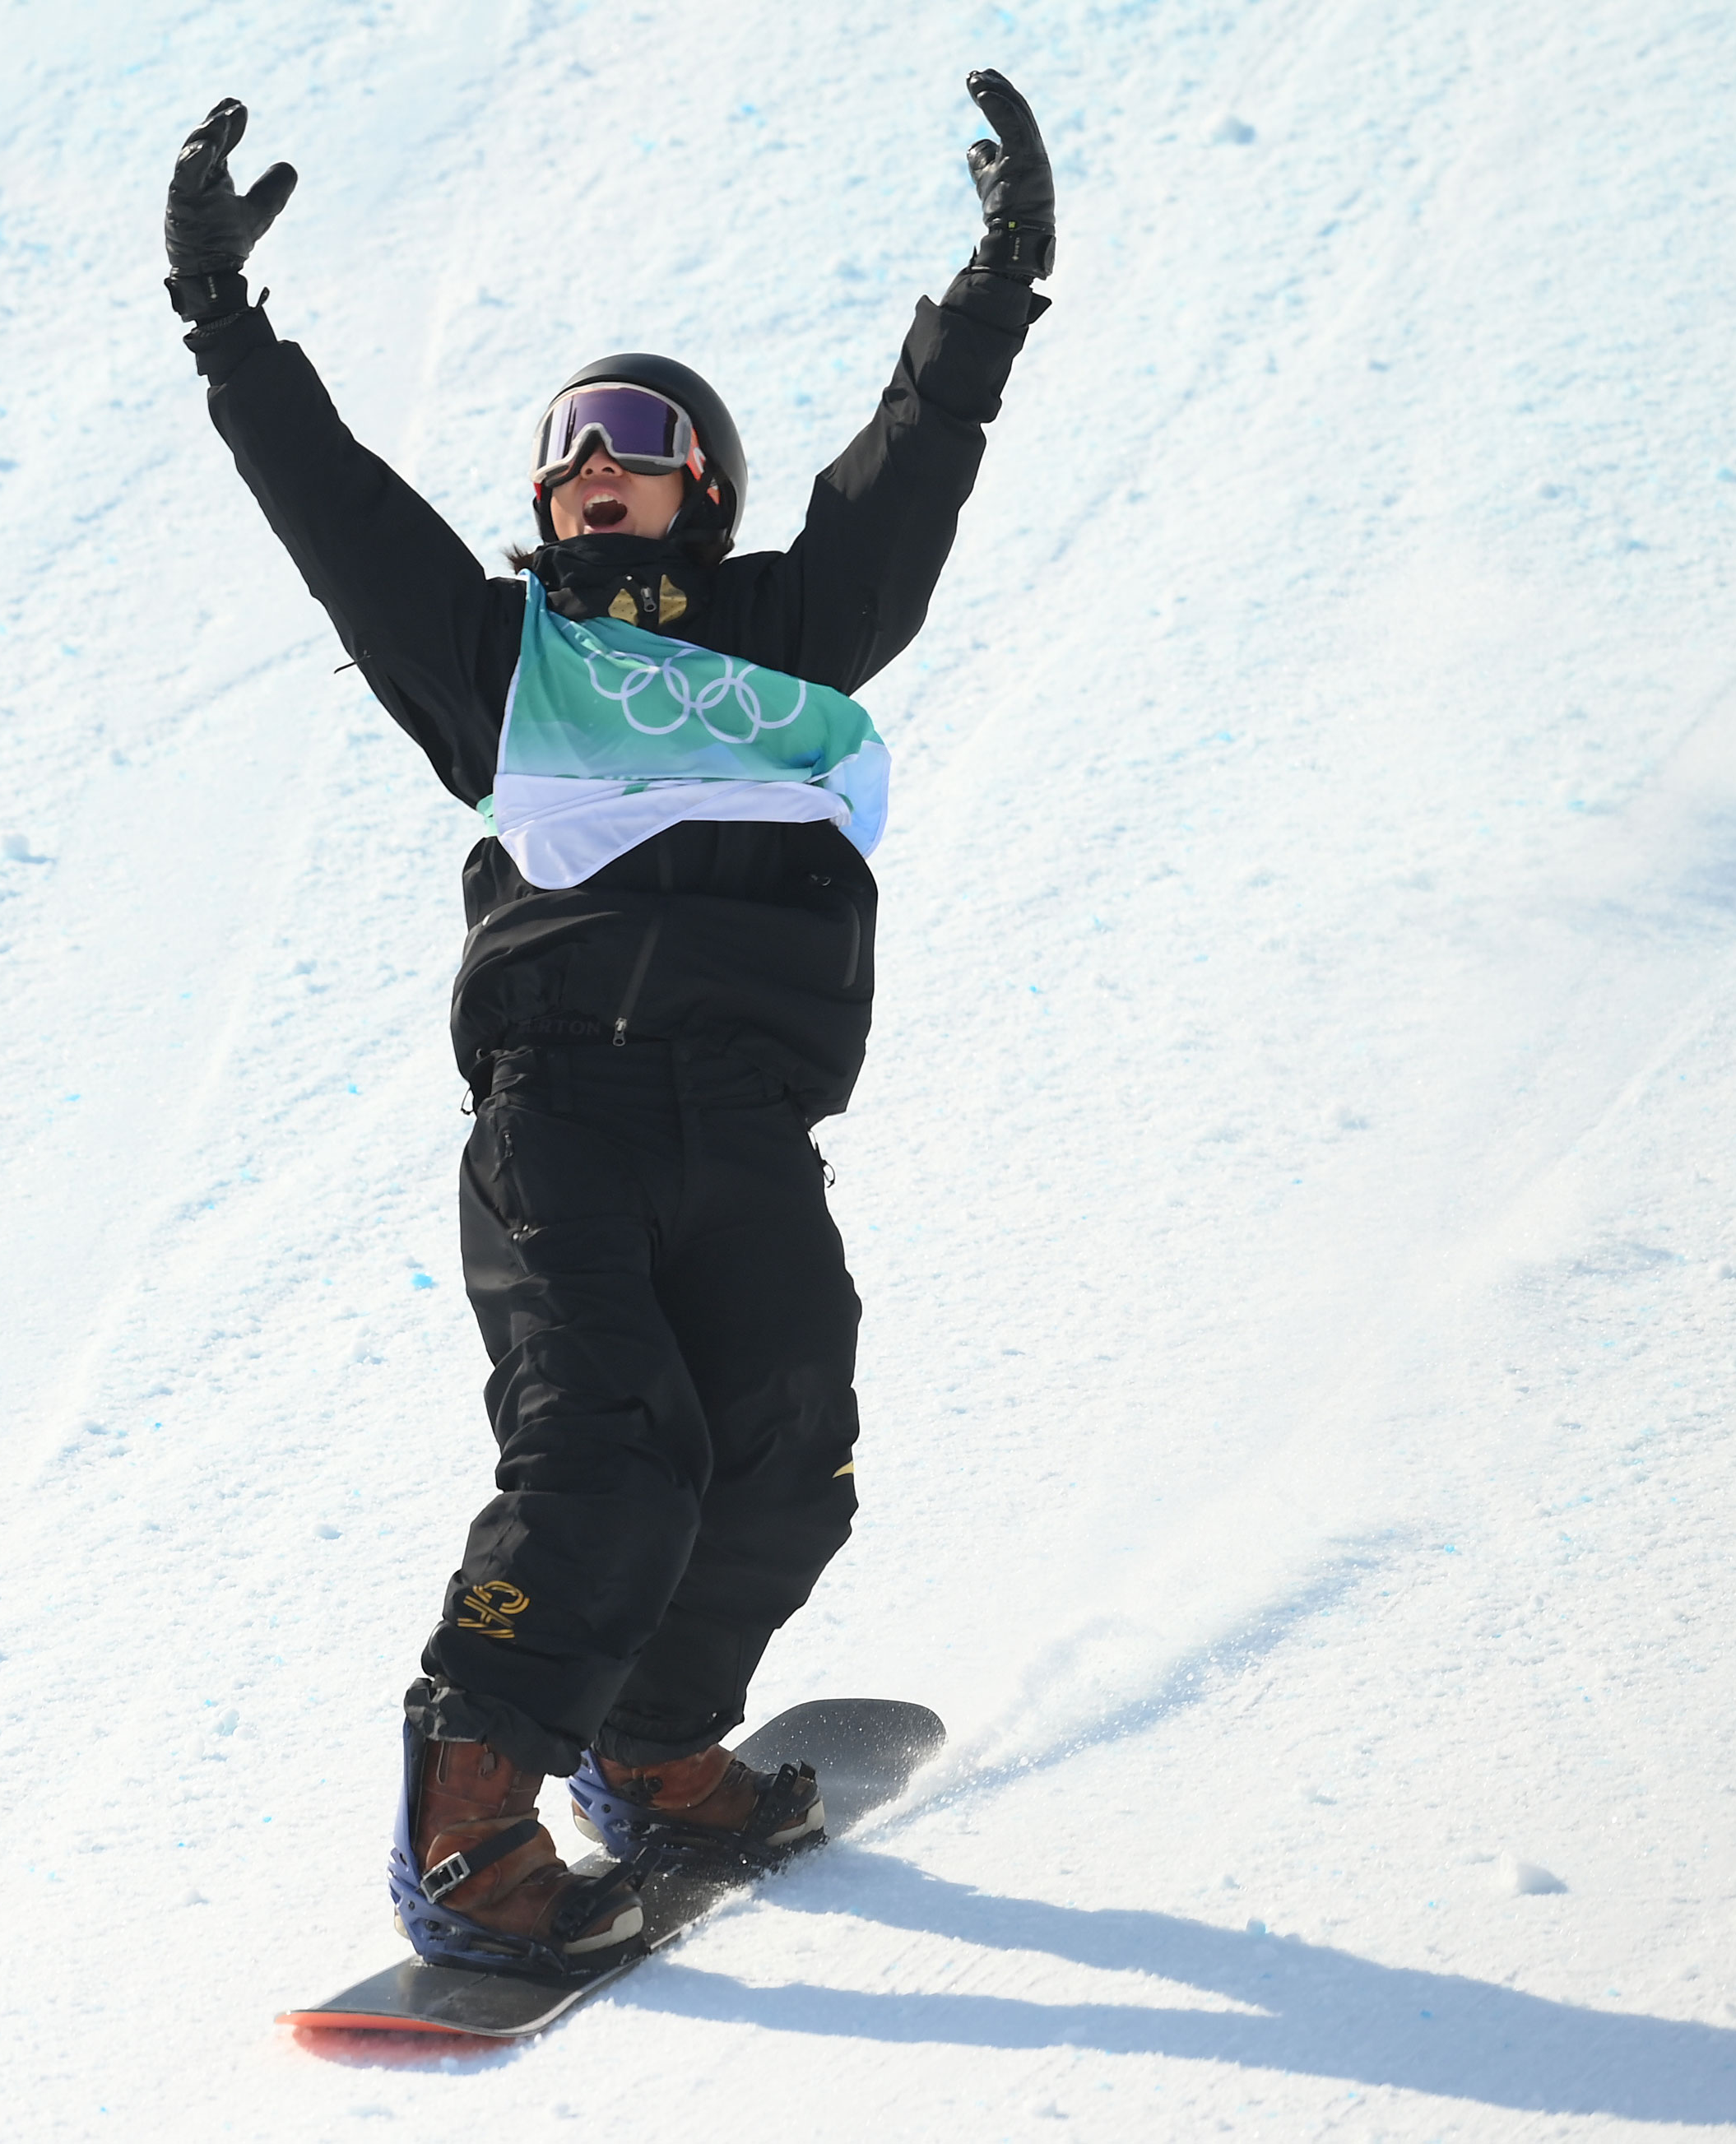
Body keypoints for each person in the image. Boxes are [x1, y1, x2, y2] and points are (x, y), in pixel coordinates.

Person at [163, 72, 1055, 1975]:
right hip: (566, 1114)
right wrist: (228, 332)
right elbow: (341, 517)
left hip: (743, 1121)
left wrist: (990, 295)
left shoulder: (788, 643)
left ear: (702, 488)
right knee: (607, 1454)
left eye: (634, 438)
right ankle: (469, 1825)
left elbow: (912, 474)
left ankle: (652, 1751)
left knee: (788, 1441)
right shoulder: (505, 665)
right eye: (563, 445)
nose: (589, 460)